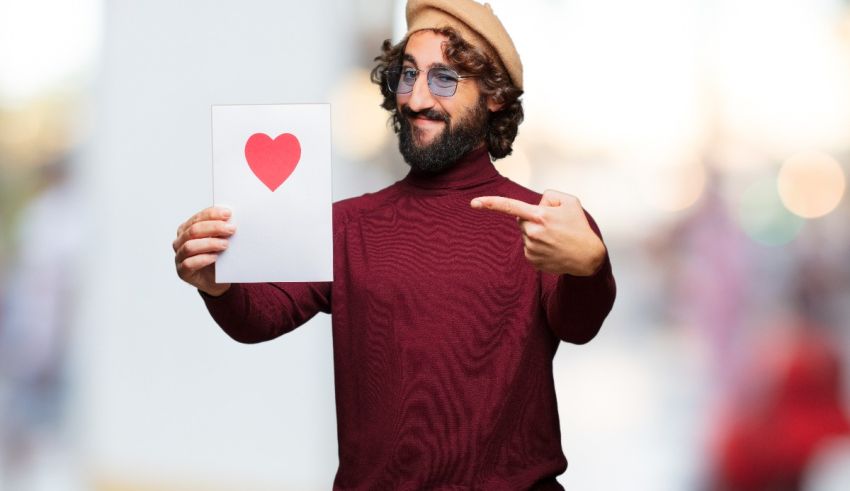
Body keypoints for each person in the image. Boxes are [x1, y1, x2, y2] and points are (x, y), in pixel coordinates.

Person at [173, 0, 616, 488]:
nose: (417, 98)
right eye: (408, 76)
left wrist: (589, 267)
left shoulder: (540, 222)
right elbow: (260, 317)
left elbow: (578, 325)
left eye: (443, 78)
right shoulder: (348, 224)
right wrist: (217, 285)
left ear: (493, 96)